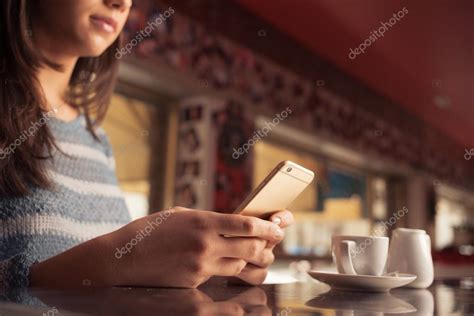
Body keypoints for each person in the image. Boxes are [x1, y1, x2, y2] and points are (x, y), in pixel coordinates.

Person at [0, 0, 293, 290]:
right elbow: (98, 268)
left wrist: (213, 266)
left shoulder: (97, 141)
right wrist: (117, 261)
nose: (120, 3)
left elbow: (102, 282)